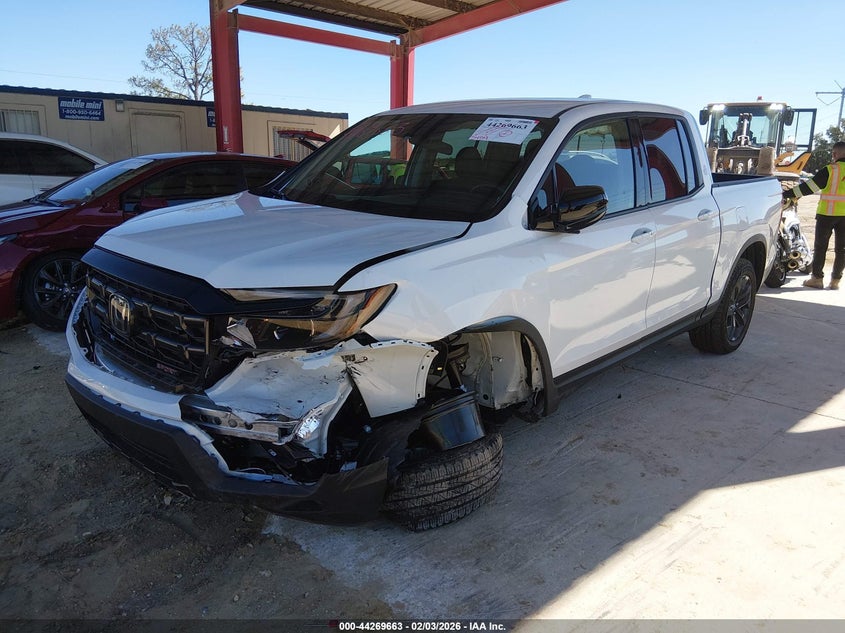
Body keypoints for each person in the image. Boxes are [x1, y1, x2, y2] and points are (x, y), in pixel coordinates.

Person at [782, 141, 845, 290]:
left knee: (821, 247)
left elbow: (809, 187)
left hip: (827, 214)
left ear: (835, 154)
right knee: (842, 249)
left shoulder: (831, 170)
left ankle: (817, 278)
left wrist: (787, 193)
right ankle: (835, 281)